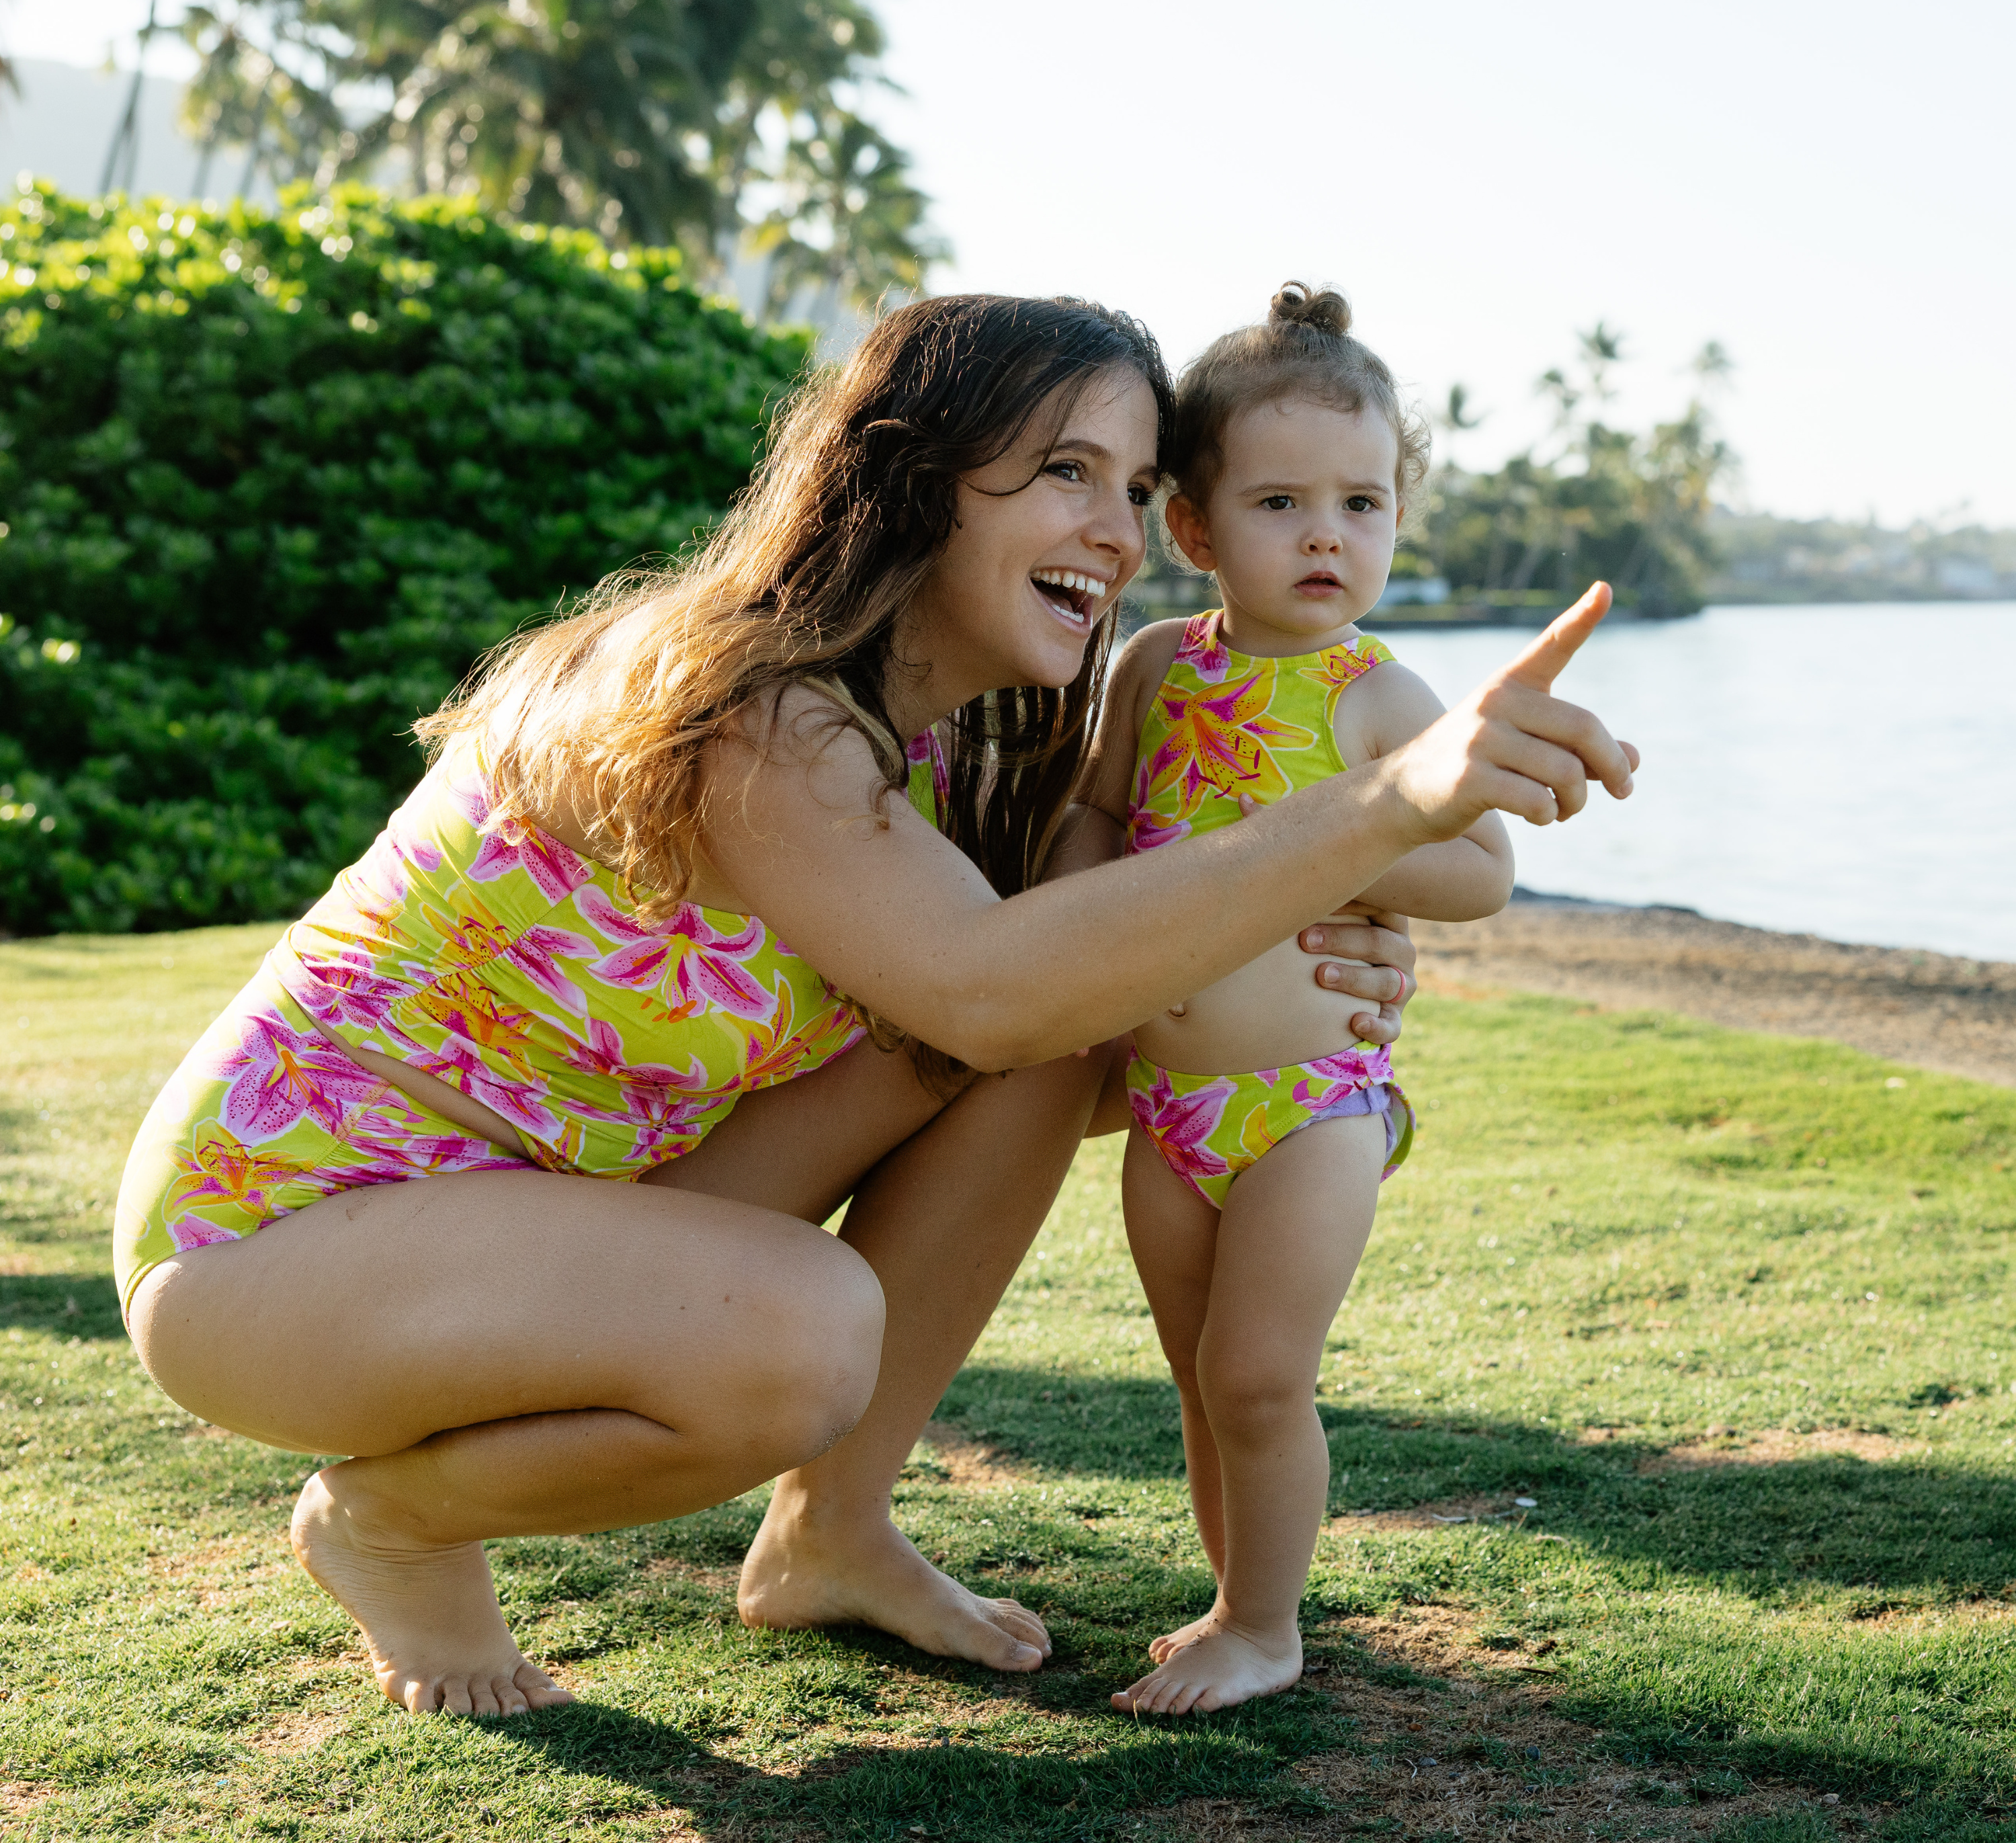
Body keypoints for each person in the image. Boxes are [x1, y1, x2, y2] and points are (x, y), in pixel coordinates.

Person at [114, 292, 1632, 1718]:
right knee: (802, 1328)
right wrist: (1385, 809)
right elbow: (990, 985)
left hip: (548, 1212)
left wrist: (1321, 1013)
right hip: (279, 1241)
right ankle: (386, 1521)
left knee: (1029, 1052)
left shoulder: (958, 752)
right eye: (1063, 474)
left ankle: (828, 1535)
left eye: (1138, 485)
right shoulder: (741, 706)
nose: (1117, 534)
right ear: (911, 485)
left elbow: (1064, 1012)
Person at [1075, 283, 1620, 1715]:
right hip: (1170, 1110)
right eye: (1281, 502)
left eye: (1363, 504)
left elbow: (1483, 869)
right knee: (1201, 1382)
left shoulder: (1375, 698)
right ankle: (1235, 1598)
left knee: (1261, 1374)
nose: (1329, 534)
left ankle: (1269, 1630)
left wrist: (1339, 865)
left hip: (1310, 1108)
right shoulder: (1150, 672)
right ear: (1192, 527)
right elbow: (1097, 825)